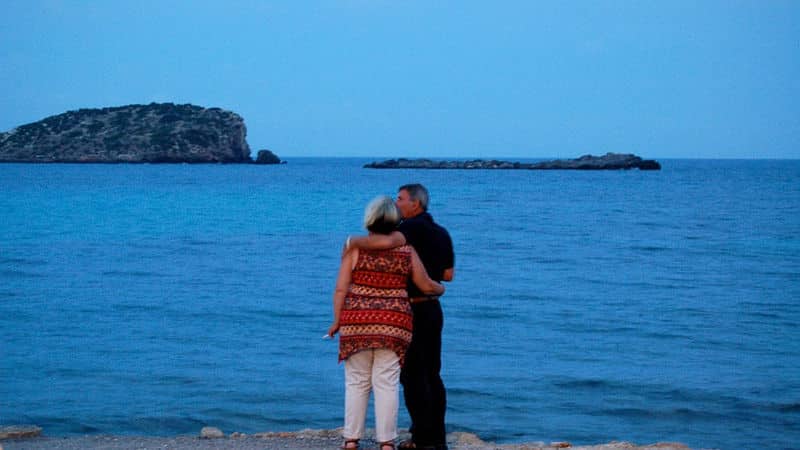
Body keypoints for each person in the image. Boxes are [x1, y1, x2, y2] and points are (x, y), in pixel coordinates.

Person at [328, 195, 445, 450]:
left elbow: (340, 289)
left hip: (356, 322)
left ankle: (351, 440)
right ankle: (386, 442)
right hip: (394, 325)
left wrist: (337, 320)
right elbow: (425, 284)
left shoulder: (354, 249)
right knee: (387, 383)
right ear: (395, 220)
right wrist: (440, 289)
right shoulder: (406, 251)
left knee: (357, 381)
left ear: (369, 220)